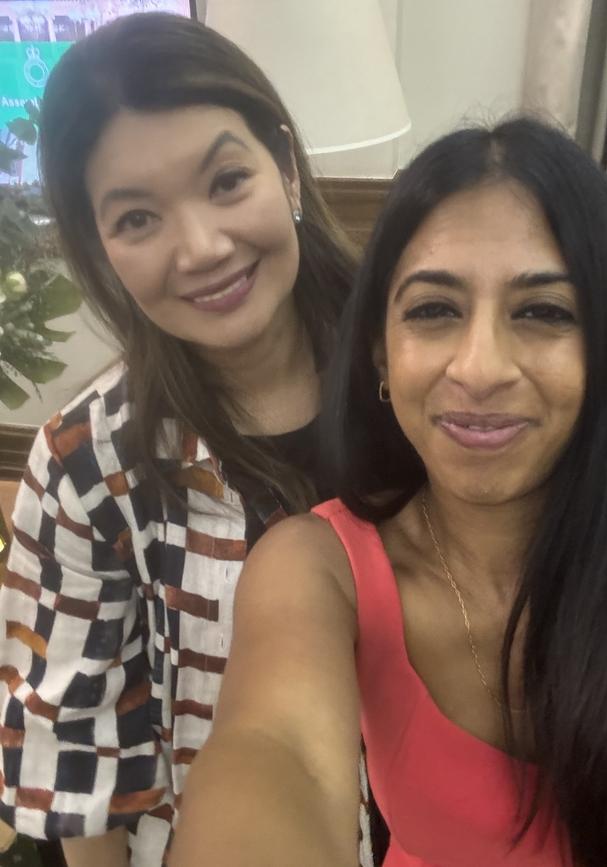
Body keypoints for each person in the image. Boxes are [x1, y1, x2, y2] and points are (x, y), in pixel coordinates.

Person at [169, 116, 607, 867]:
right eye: (433, 310)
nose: (481, 366)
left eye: (544, 312)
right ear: (380, 355)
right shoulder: (318, 565)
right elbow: (275, 751)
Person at [0, 12, 381, 867]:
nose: (203, 248)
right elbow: (76, 761)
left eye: (226, 181)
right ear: (100, 248)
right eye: (137, 220)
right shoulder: (86, 463)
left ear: (284, 165)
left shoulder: (420, 378)